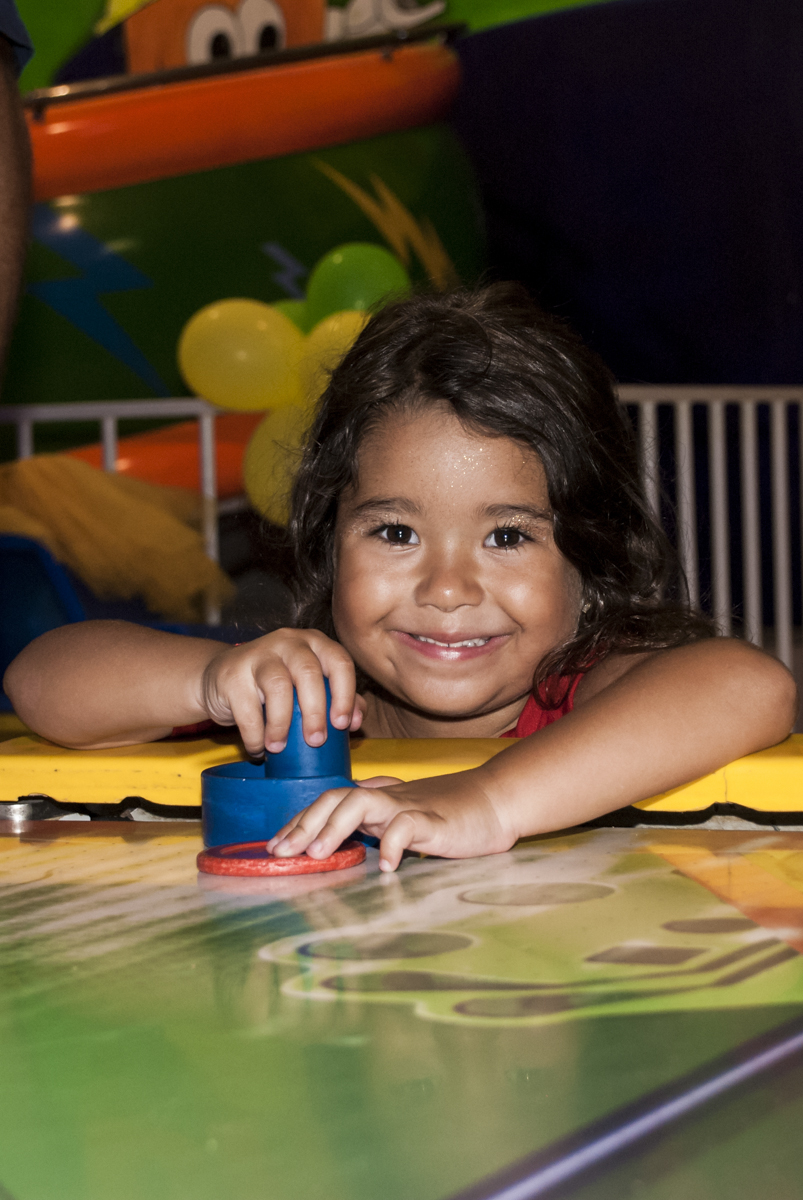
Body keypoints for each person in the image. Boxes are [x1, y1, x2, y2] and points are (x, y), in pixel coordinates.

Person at [5, 285, 796, 870]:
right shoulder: (308, 701)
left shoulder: (580, 688)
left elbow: (745, 684)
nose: (447, 589)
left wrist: (490, 797)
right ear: (327, 544)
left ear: (588, 560)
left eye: (506, 536)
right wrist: (212, 680)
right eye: (394, 532)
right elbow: (41, 681)